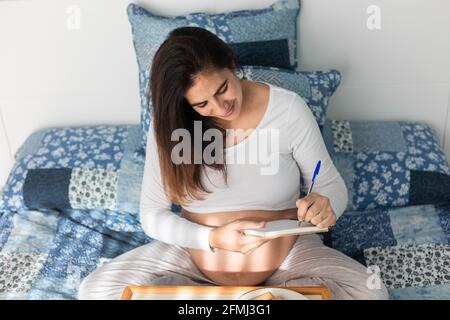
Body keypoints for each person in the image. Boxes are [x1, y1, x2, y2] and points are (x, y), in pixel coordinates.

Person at [78, 27, 389, 300]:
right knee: (95, 291)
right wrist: (211, 239)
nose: (220, 107)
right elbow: (152, 215)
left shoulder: (288, 109)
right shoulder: (170, 125)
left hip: (286, 258)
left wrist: (325, 202)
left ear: (231, 65)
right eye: (201, 104)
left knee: (370, 291)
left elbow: (330, 184)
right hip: (191, 256)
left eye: (222, 88)